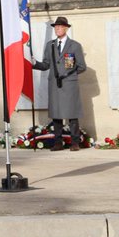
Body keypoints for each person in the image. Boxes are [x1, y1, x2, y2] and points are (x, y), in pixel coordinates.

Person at [32, 17, 86, 151]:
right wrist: (35, 64)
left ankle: (74, 142)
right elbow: (46, 65)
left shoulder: (74, 45)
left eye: (60, 27)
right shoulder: (50, 45)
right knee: (56, 114)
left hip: (69, 84)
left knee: (72, 114)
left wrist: (69, 75)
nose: (57, 29)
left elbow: (81, 66)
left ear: (66, 28)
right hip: (55, 84)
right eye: (56, 27)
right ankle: (58, 142)